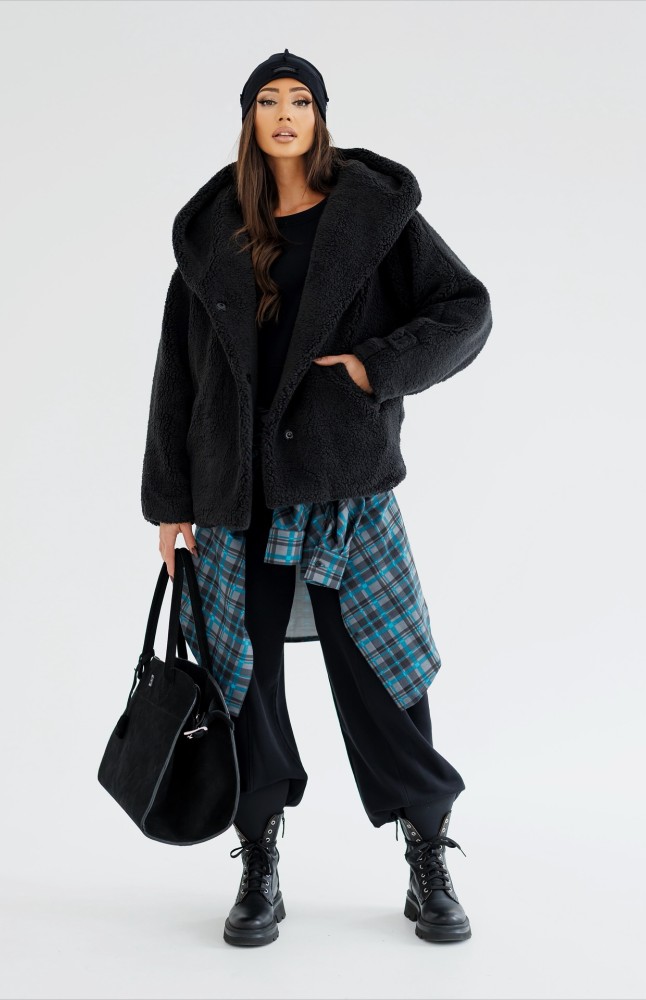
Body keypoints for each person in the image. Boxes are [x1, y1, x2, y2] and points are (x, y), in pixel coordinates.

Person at [140, 48, 493, 948]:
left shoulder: (374, 218)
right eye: (269, 100)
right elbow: (178, 373)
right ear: (250, 119)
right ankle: (258, 859)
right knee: (242, 679)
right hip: (235, 493)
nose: (286, 113)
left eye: (301, 99)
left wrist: (374, 367)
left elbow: (466, 310)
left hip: (343, 486)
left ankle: (427, 853)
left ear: (321, 116)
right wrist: (169, 504)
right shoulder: (214, 231)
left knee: (383, 672)